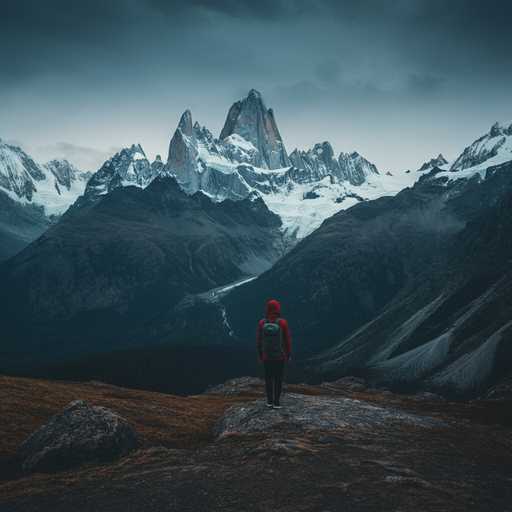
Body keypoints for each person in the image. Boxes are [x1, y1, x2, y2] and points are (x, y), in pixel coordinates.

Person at [257, 300, 291, 409]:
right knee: (278, 379)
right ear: (278, 310)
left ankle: (269, 401)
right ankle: (277, 402)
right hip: (280, 355)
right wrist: (288, 355)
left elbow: (259, 341)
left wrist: (260, 355)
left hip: (266, 356)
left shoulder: (262, 323)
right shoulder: (283, 322)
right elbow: (287, 340)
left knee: (268, 378)